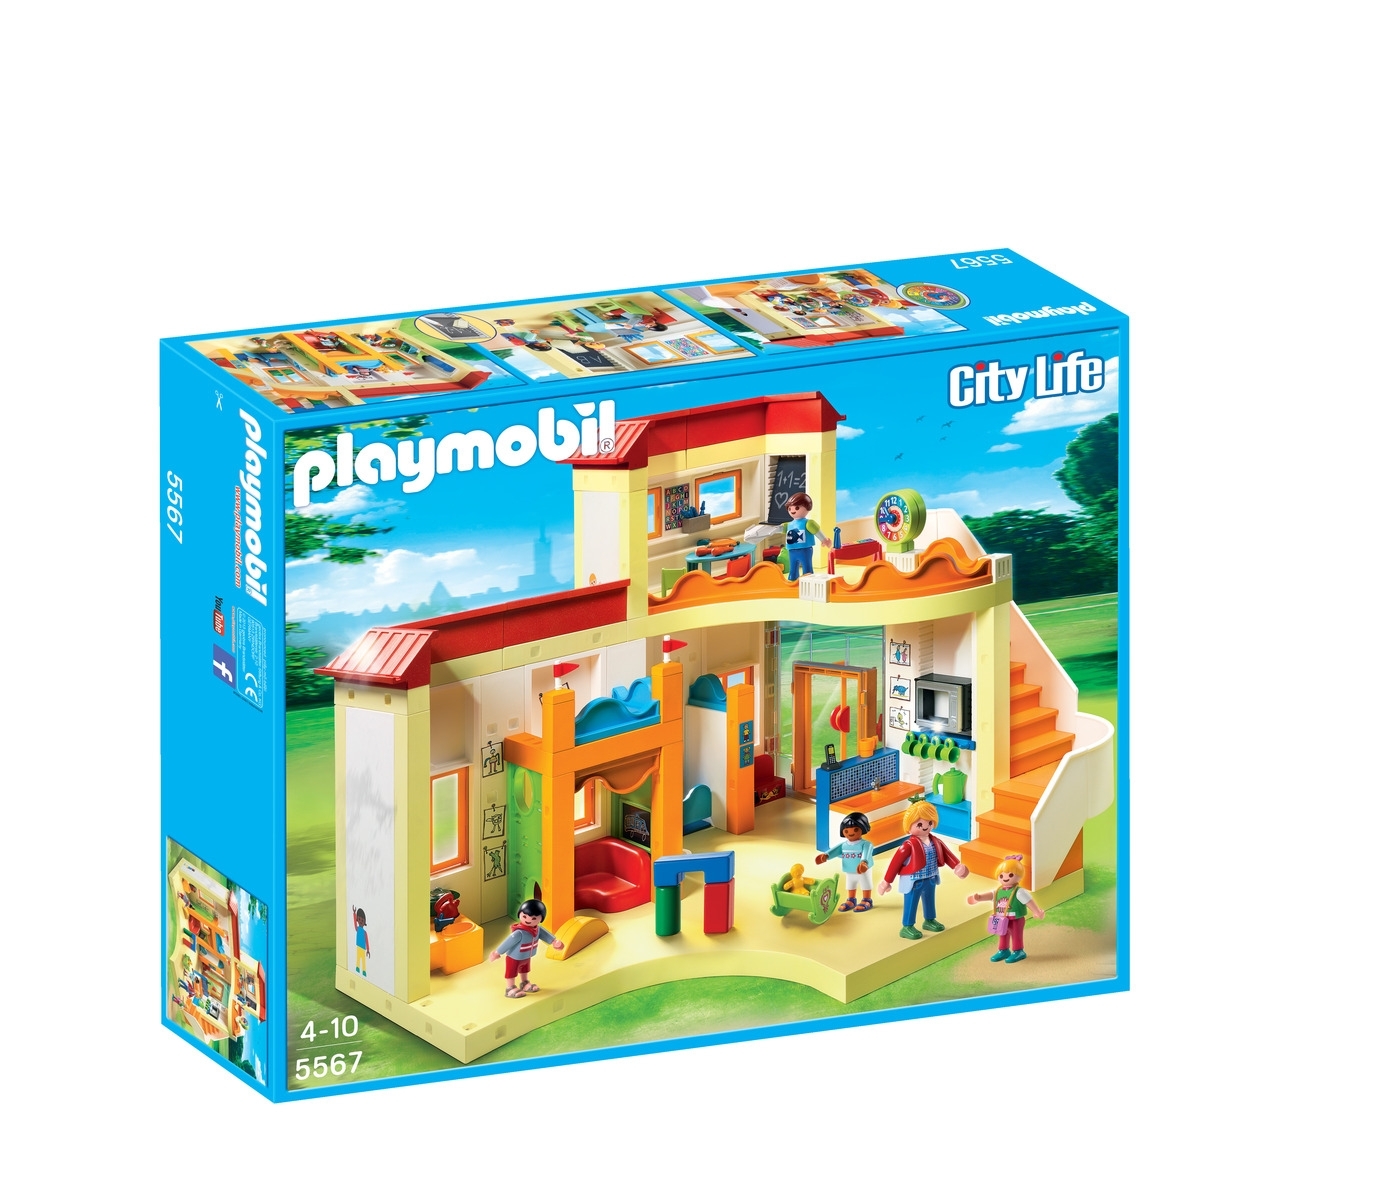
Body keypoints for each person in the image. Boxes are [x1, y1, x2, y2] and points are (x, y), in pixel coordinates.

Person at [877, 799, 970, 939]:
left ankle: (929, 920)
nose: (925, 827)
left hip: (931, 878)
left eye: (929, 822)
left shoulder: (935, 841)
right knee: (911, 902)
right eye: (919, 824)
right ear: (909, 826)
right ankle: (907, 926)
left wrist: (957, 866)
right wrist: (886, 881)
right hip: (914, 881)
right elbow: (895, 863)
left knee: (929, 900)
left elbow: (947, 855)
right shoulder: (908, 845)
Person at [967, 853, 1045, 963]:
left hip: (1016, 919)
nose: (1005, 878)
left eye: (1010, 875)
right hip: (1002, 919)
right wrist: (979, 898)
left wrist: (1037, 911)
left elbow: (1029, 901)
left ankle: (1019, 951)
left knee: (1016, 935)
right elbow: (991, 895)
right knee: (1002, 934)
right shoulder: (999, 891)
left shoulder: (1019, 892)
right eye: (1001, 876)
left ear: (1019, 875)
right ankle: (1003, 950)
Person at [490, 898, 565, 998]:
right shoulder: (519, 933)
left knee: (525, 970)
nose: (528, 920)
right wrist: (497, 952)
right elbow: (507, 943)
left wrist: (555, 942)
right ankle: (510, 988)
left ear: (541, 919)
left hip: (527, 955)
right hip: (514, 957)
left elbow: (546, 936)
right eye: (524, 916)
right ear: (519, 915)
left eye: (534, 918)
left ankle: (524, 983)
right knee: (511, 972)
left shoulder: (538, 929)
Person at [815, 811, 875, 911]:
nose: (851, 833)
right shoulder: (844, 845)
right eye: (846, 831)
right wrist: (826, 856)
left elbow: (867, 853)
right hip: (849, 869)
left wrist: (864, 862)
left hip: (863, 869)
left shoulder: (866, 844)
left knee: (865, 883)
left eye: (855, 829)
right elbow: (835, 851)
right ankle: (851, 900)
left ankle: (867, 900)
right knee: (850, 884)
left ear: (863, 828)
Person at [782, 492, 830, 582]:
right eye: (790, 508)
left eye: (797, 508)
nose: (792, 510)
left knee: (807, 567)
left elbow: (817, 531)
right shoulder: (788, 525)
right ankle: (792, 579)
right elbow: (778, 529)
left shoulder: (808, 523)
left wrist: (824, 539)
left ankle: (809, 580)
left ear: (807, 507)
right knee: (793, 568)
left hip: (805, 550)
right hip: (792, 550)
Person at [351, 905, 370, 975]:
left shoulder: (365, 933)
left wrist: (368, 950)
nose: (360, 921)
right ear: (357, 920)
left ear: (364, 922)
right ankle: (358, 968)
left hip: (363, 948)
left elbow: (367, 941)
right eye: (359, 919)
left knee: (363, 960)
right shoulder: (357, 929)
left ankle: (364, 971)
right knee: (358, 958)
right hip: (359, 947)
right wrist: (354, 913)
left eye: (362, 920)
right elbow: (355, 924)